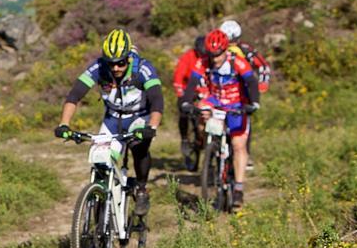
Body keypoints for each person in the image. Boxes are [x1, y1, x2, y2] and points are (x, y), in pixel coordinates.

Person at [53, 29, 164, 219]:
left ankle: (141, 189)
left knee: (139, 146)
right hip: (113, 119)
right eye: (111, 63)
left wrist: (151, 127)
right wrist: (64, 124)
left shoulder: (143, 68)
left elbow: (157, 100)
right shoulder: (98, 67)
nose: (116, 68)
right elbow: (75, 95)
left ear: (128, 58)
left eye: (121, 63)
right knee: (100, 160)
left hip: (139, 117)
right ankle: (101, 204)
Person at [180, 28, 260, 210]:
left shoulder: (237, 62)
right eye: (211, 54)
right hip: (215, 100)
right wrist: (185, 102)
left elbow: (251, 82)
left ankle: (238, 187)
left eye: (218, 54)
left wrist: (254, 103)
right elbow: (192, 83)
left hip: (236, 103)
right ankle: (209, 148)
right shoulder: (203, 61)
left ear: (225, 50)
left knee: (238, 145)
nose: (214, 59)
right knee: (200, 110)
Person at [219, 19, 270, 169]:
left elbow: (263, 66)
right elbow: (263, 66)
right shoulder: (219, 50)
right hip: (223, 90)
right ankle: (216, 150)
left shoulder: (245, 50)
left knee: (243, 121)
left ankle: (244, 154)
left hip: (243, 91)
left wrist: (260, 85)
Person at [172, 35, 206, 170]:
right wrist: (181, 94)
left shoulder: (210, 59)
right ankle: (185, 138)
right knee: (184, 111)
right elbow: (178, 77)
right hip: (188, 90)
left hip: (204, 91)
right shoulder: (188, 57)